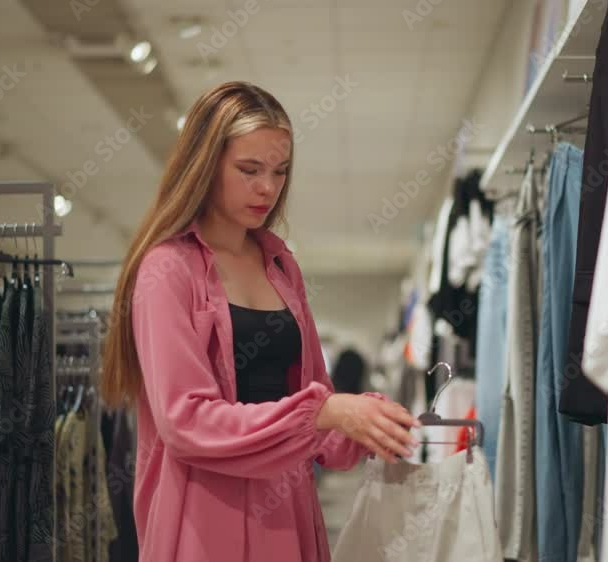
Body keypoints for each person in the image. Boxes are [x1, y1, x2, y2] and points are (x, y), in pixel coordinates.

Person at [101, 81, 419, 562]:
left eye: (280, 171)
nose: (268, 187)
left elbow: (318, 407)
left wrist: (370, 425)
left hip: (288, 507)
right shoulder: (167, 269)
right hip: (204, 519)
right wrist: (325, 413)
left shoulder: (279, 263)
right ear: (205, 165)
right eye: (249, 169)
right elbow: (184, 422)